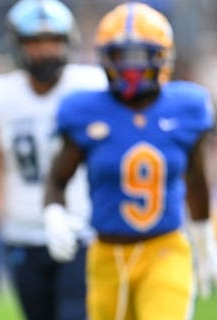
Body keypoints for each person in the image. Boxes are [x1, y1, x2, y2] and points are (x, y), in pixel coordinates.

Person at [43, 2, 217, 319]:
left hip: (164, 248)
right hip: (106, 254)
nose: (129, 67)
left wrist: (204, 238)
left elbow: (196, 179)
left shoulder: (187, 106)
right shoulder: (84, 110)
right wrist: (54, 212)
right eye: (121, 56)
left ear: (163, 55)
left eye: (139, 55)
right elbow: (57, 179)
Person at [0, 0, 106, 319]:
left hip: (81, 229)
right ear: (17, 45)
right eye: (35, 42)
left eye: (53, 41)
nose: (45, 51)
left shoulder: (91, 86)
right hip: (23, 235)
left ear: (69, 42)